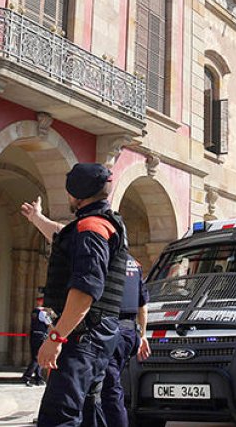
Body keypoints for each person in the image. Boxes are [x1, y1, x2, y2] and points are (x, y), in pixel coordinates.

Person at [19, 163, 128, 427]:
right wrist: (37, 218)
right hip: (99, 335)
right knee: (89, 412)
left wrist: (56, 338)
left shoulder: (90, 228)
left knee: (59, 417)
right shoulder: (102, 224)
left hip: (83, 337)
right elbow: (63, 235)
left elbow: (84, 292)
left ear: (75, 193)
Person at [99, 256, 151, 427]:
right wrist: (142, 335)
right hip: (129, 332)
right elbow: (142, 306)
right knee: (109, 386)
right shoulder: (134, 264)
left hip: (109, 330)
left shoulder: (104, 256)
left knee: (109, 389)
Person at [21, 296, 54, 386]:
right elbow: (50, 324)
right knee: (37, 357)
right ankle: (27, 376)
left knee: (36, 357)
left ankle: (38, 377)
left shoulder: (35, 311)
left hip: (34, 335)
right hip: (40, 336)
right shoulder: (43, 313)